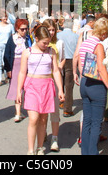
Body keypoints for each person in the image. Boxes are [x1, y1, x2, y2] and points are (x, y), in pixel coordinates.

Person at [17, 26, 65, 155]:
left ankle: (39, 147)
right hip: (32, 86)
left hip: (47, 86)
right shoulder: (27, 52)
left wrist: (60, 89)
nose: (46, 44)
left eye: (48, 42)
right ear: (36, 39)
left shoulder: (51, 52)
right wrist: (18, 91)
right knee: (33, 118)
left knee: (43, 119)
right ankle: (30, 150)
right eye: (44, 42)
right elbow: (22, 72)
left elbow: (55, 71)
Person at [78, 17, 108, 155]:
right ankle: (92, 152)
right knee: (96, 123)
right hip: (96, 86)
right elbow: (101, 68)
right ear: (104, 33)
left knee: (87, 120)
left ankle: (85, 151)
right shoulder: (98, 46)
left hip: (85, 83)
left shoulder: (85, 42)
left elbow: (80, 62)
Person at [42, 19, 65, 152]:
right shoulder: (40, 44)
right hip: (43, 80)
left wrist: (59, 67)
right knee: (43, 111)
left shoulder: (59, 43)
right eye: (49, 30)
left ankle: (54, 138)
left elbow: (63, 58)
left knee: (55, 111)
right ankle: (43, 131)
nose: (51, 32)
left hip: (55, 80)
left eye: (53, 30)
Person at [3, 19, 32, 122]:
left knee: (27, 88)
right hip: (15, 64)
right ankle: (18, 113)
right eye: (22, 29)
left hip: (27, 65)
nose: (24, 31)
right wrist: (8, 69)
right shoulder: (12, 39)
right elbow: (7, 54)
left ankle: (28, 110)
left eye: (26, 29)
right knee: (17, 88)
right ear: (17, 29)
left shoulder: (28, 39)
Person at [57, 19, 79, 117]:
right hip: (70, 60)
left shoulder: (58, 35)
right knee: (69, 85)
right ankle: (67, 109)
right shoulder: (76, 36)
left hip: (60, 59)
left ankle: (61, 101)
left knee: (60, 82)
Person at [0, 10, 15, 87]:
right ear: (0, 17)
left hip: (7, 45)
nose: (5, 18)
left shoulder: (10, 26)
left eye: (6, 16)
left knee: (6, 61)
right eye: (4, 16)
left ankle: (6, 77)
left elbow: (13, 36)